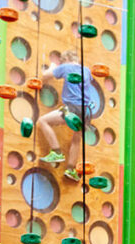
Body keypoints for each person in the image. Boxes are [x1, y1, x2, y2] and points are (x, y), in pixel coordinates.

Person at [38, 48, 100, 181]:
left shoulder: (65, 67)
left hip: (72, 108)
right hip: (86, 111)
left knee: (43, 121)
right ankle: (70, 170)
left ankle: (56, 151)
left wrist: (54, 66)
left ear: (65, 60)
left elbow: (45, 76)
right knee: (76, 140)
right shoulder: (87, 71)